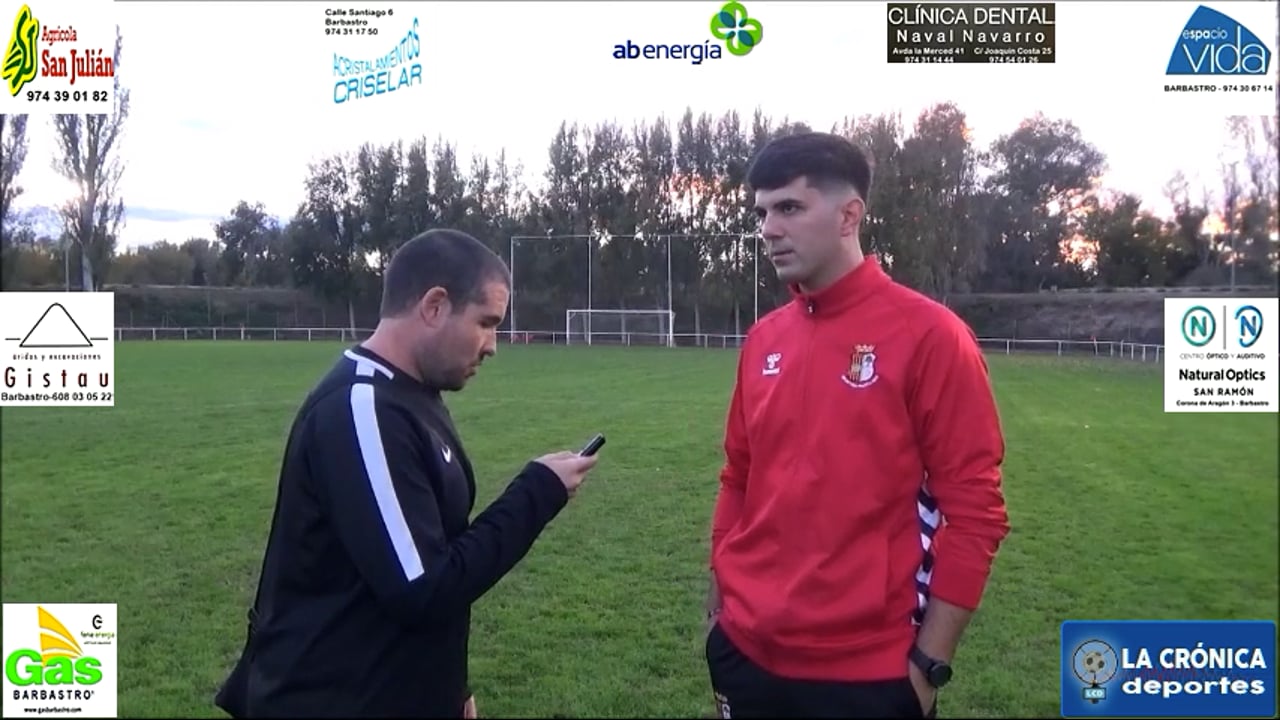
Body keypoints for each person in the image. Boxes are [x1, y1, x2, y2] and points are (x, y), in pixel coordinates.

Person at [215, 228, 599, 718]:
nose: (493, 346)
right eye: (486, 322)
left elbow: (423, 550)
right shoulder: (361, 409)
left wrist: (448, 687)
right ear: (435, 306)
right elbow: (423, 587)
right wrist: (535, 494)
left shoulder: (411, 394)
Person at [704, 132, 1011, 719]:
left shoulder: (931, 336)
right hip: (745, 651)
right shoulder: (764, 338)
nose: (769, 228)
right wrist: (722, 594)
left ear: (849, 216)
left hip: (867, 674)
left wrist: (929, 664)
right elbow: (738, 475)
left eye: (789, 208)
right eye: (762, 212)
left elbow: (976, 513)